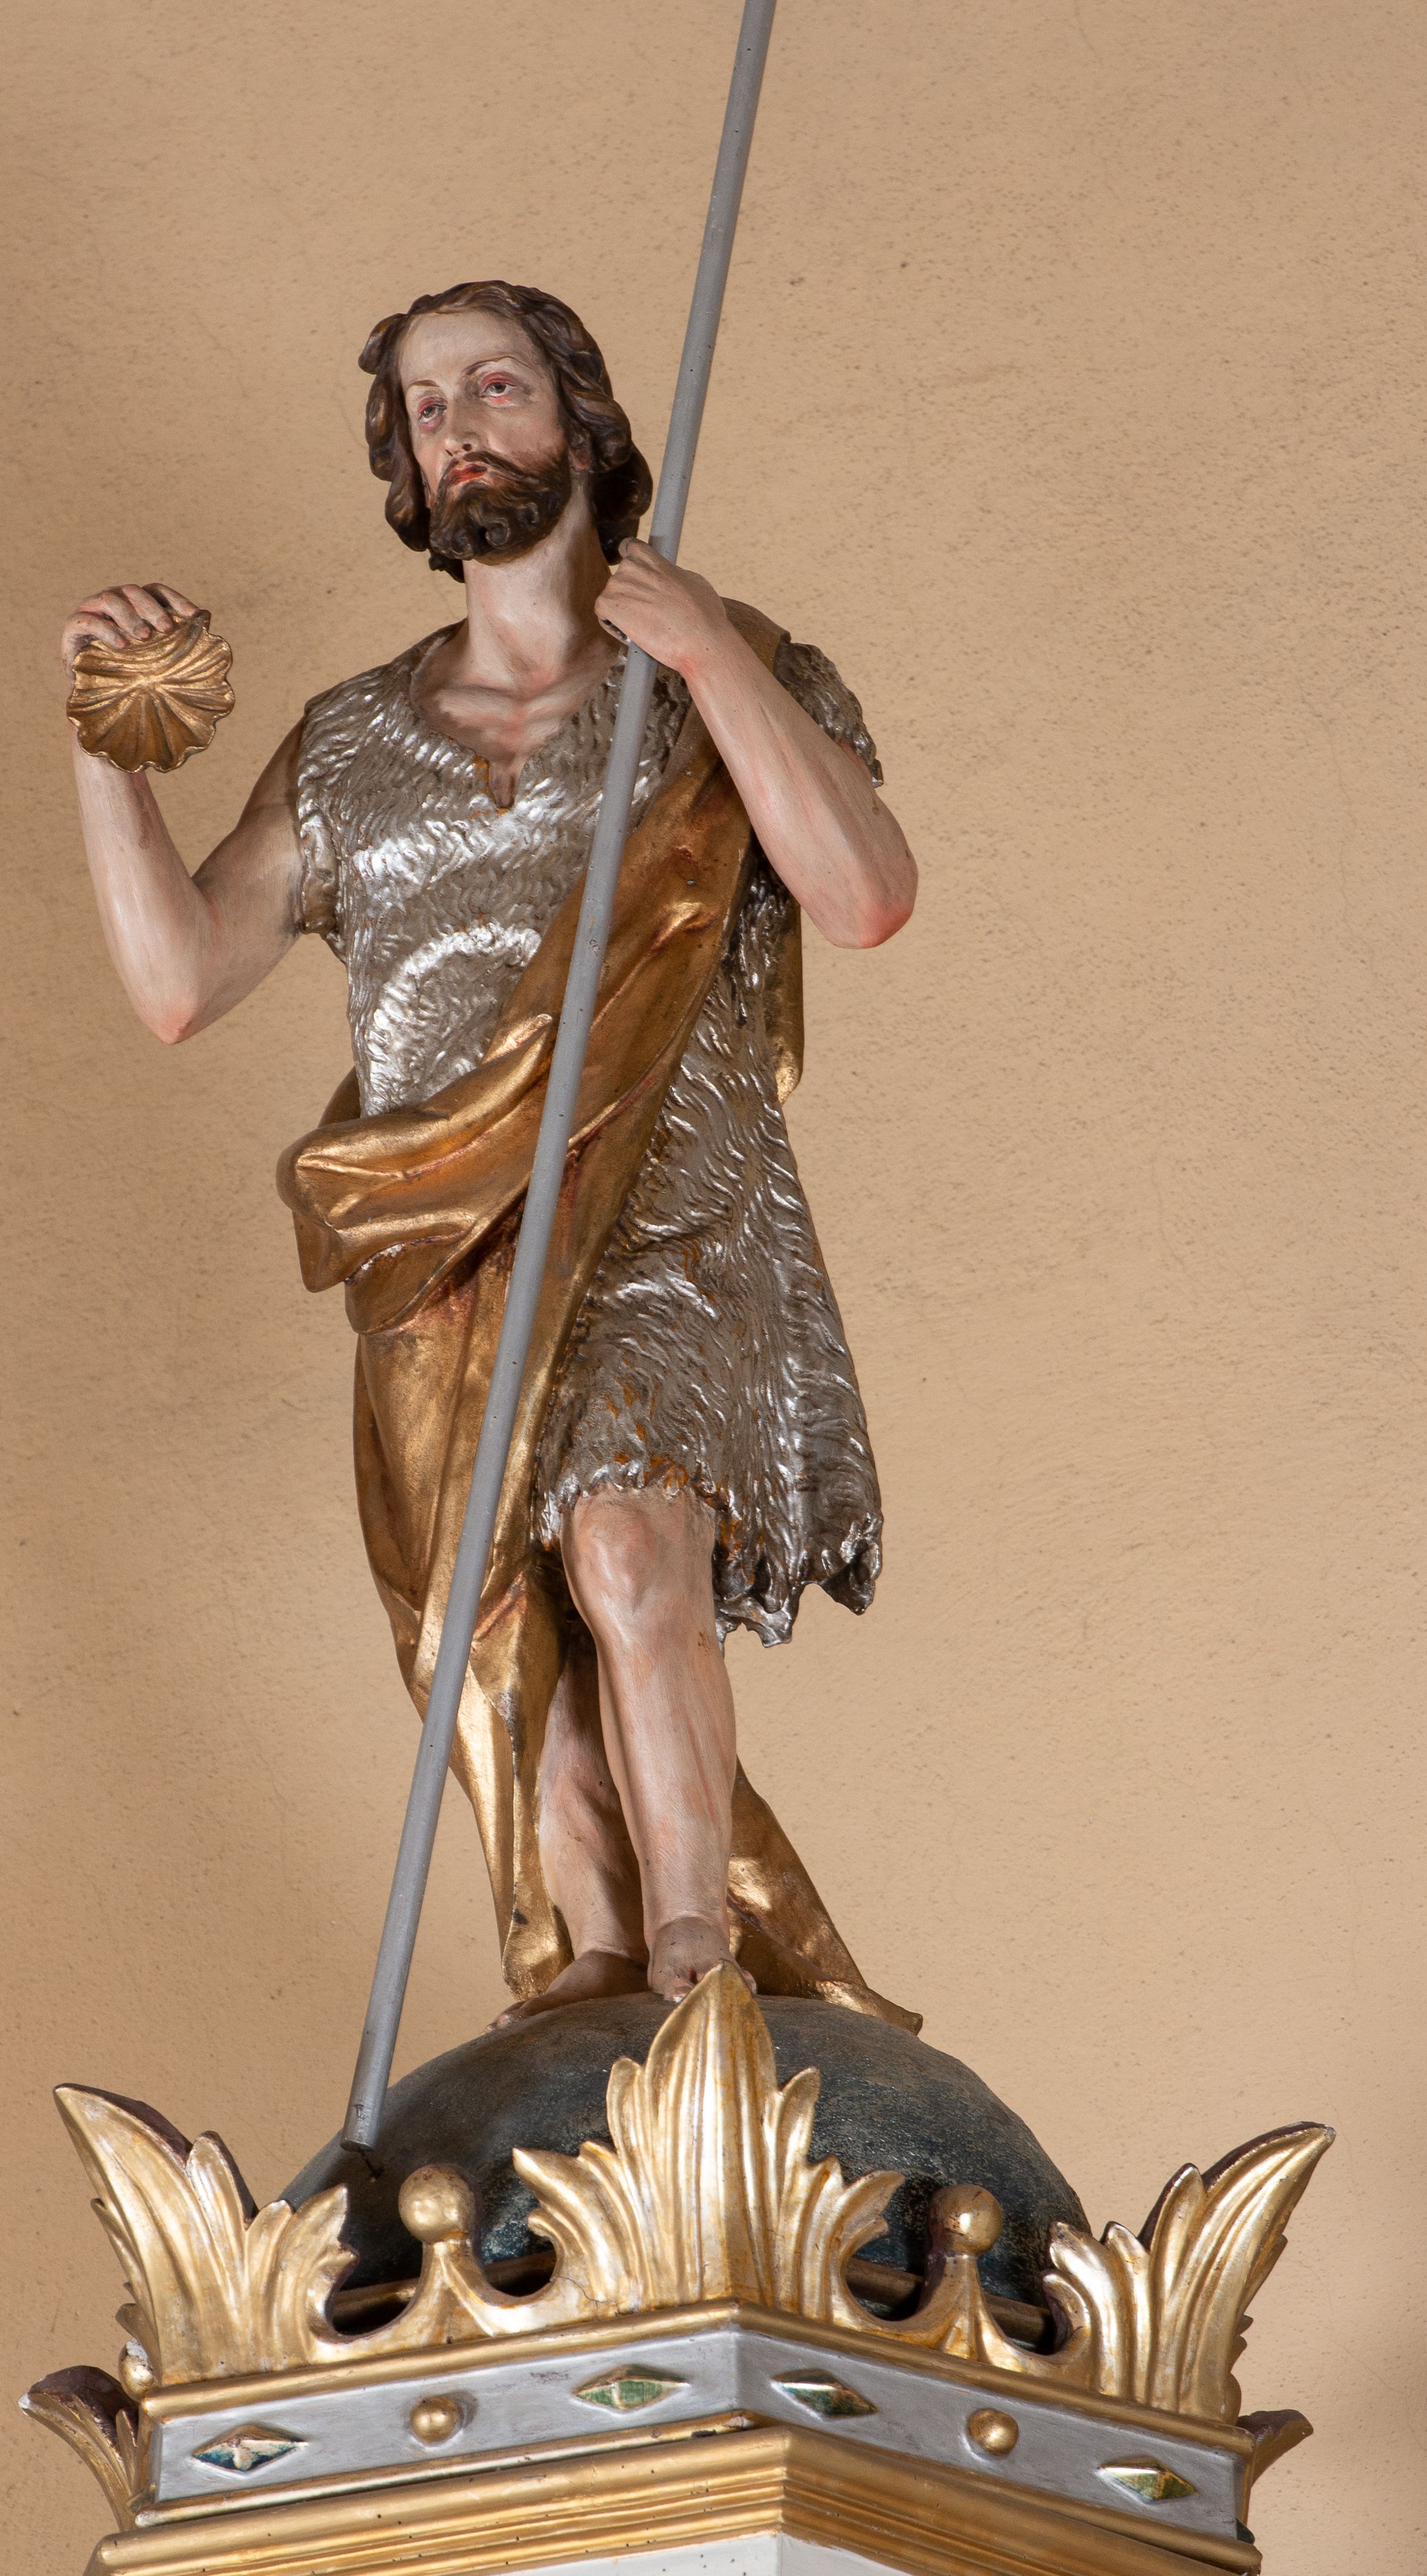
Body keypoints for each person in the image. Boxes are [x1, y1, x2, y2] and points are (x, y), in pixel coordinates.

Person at [63, 280, 918, 2026]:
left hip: (672, 1212)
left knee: (629, 1552)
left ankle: (697, 1962)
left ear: (580, 421)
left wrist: (714, 657)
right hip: (438, 1243)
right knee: (505, 1634)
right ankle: (594, 1962)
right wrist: (104, 755)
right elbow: (178, 982)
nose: (456, 426)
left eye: (494, 385)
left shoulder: (725, 674)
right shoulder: (353, 742)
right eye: (424, 405)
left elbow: (866, 894)